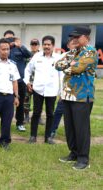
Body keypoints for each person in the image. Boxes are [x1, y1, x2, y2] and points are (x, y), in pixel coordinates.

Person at [55, 26, 98, 170]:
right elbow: (57, 65)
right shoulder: (73, 52)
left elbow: (77, 69)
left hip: (81, 97)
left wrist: (69, 66)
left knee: (81, 129)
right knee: (70, 127)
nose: (74, 39)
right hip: (67, 95)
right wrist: (70, 64)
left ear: (86, 37)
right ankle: (73, 153)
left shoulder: (90, 52)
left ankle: (83, 159)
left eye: (77, 37)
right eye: (73, 37)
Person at [24, 35, 60, 144]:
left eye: (49, 44)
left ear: (53, 46)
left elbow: (62, 75)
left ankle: (48, 137)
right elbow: (27, 70)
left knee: (50, 114)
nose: (46, 46)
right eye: (45, 44)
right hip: (38, 89)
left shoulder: (58, 58)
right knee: (36, 113)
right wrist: (27, 82)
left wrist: (61, 91)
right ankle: (33, 136)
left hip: (52, 90)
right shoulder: (37, 57)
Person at [4, 30, 32, 132]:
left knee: (19, 102)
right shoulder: (3, 49)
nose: (10, 41)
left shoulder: (19, 48)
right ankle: (6, 122)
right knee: (7, 103)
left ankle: (19, 123)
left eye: (12, 38)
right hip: (6, 81)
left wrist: (20, 46)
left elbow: (29, 55)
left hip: (20, 81)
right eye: (7, 39)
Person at [50, 38, 76, 139]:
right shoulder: (63, 57)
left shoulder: (81, 55)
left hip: (78, 90)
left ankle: (73, 132)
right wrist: (60, 91)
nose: (74, 45)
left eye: (76, 43)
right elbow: (59, 75)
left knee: (74, 113)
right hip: (65, 89)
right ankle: (52, 130)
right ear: (68, 46)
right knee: (59, 111)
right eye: (72, 43)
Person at [23, 39, 40, 124]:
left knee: (38, 101)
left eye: (35, 44)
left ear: (38, 46)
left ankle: (38, 117)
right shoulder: (27, 55)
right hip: (28, 82)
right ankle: (26, 117)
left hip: (39, 82)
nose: (34, 46)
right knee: (26, 100)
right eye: (32, 44)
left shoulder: (42, 55)